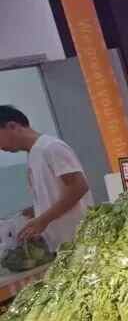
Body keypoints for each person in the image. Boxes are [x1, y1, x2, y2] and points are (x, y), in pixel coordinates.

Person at [0, 105, 92, 250]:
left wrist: (43, 220)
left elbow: (79, 187)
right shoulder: (33, 154)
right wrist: (34, 211)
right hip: (61, 244)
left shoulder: (50, 147)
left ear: (12, 126)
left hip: (79, 239)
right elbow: (55, 194)